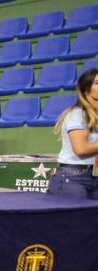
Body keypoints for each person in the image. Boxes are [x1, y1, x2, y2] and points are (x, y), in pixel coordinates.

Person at [45, 66, 98, 199]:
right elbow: (81, 149)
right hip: (73, 178)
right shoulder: (77, 114)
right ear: (86, 89)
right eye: (97, 83)